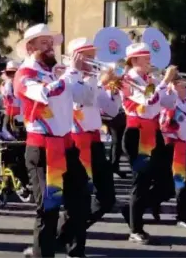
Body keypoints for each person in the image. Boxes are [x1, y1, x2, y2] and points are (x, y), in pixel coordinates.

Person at [13, 23, 94, 258]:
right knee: (48, 209)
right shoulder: (24, 74)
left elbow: (85, 97)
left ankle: (58, 243)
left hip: (66, 145)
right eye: (44, 43)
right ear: (30, 47)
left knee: (81, 202)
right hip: (43, 148)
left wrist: (86, 75)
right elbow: (47, 93)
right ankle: (43, 253)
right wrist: (70, 73)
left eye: (51, 43)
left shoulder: (56, 71)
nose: (51, 48)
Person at [119, 42, 177, 244]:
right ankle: (136, 229)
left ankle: (132, 209)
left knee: (167, 185)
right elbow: (149, 102)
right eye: (145, 58)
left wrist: (169, 87)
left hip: (154, 132)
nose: (150, 61)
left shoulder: (148, 79)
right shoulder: (127, 81)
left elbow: (167, 104)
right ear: (134, 60)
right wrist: (163, 83)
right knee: (141, 183)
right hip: (138, 134)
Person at [62, 38, 119, 237]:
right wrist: (99, 81)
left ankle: (67, 234)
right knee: (80, 197)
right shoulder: (67, 78)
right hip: (77, 142)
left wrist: (114, 90)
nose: (93, 60)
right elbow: (81, 100)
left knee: (107, 198)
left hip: (94, 141)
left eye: (93, 56)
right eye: (87, 56)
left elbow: (111, 111)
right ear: (76, 58)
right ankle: (68, 239)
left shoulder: (94, 80)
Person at [159, 76, 186, 229]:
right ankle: (182, 216)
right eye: (182, 87)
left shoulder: (184, 104)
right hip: (175, 148)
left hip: (183, 147)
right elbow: (185, 132)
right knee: (180, 183)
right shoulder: (173, 107)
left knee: (184, 182)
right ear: (173, 88)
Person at [1, 61, 24, 139]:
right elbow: (6, 98)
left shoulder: (21, 83)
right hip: (11, 112)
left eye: (13, 73)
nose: (12, 75)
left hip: (21, 112)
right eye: (9, 73)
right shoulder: (6, 84)